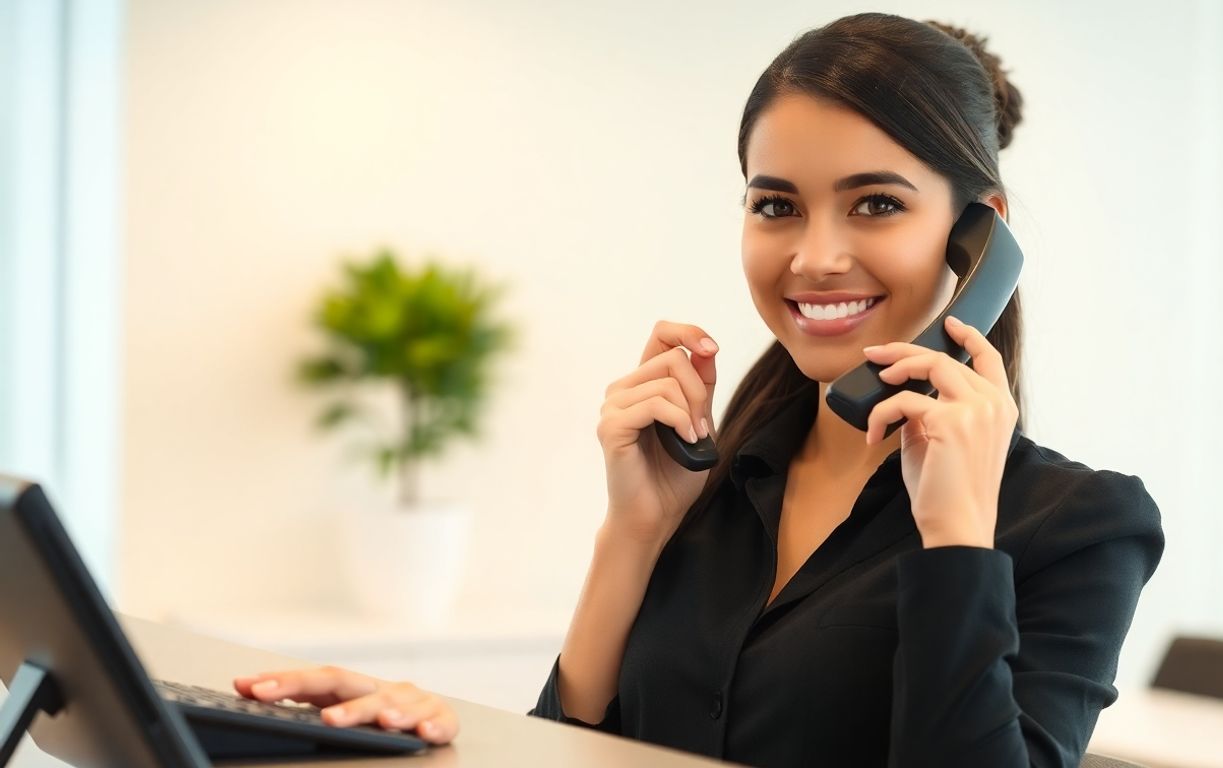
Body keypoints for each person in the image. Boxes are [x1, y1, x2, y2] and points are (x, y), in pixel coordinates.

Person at [231, 12, 1164, 767]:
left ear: (979, 237)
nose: (815, 256)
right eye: (776, 205)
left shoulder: (1076, 527)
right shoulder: (710, 481)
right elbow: (580, 750)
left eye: (876, 203)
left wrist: (957, 538)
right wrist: (628, 538)